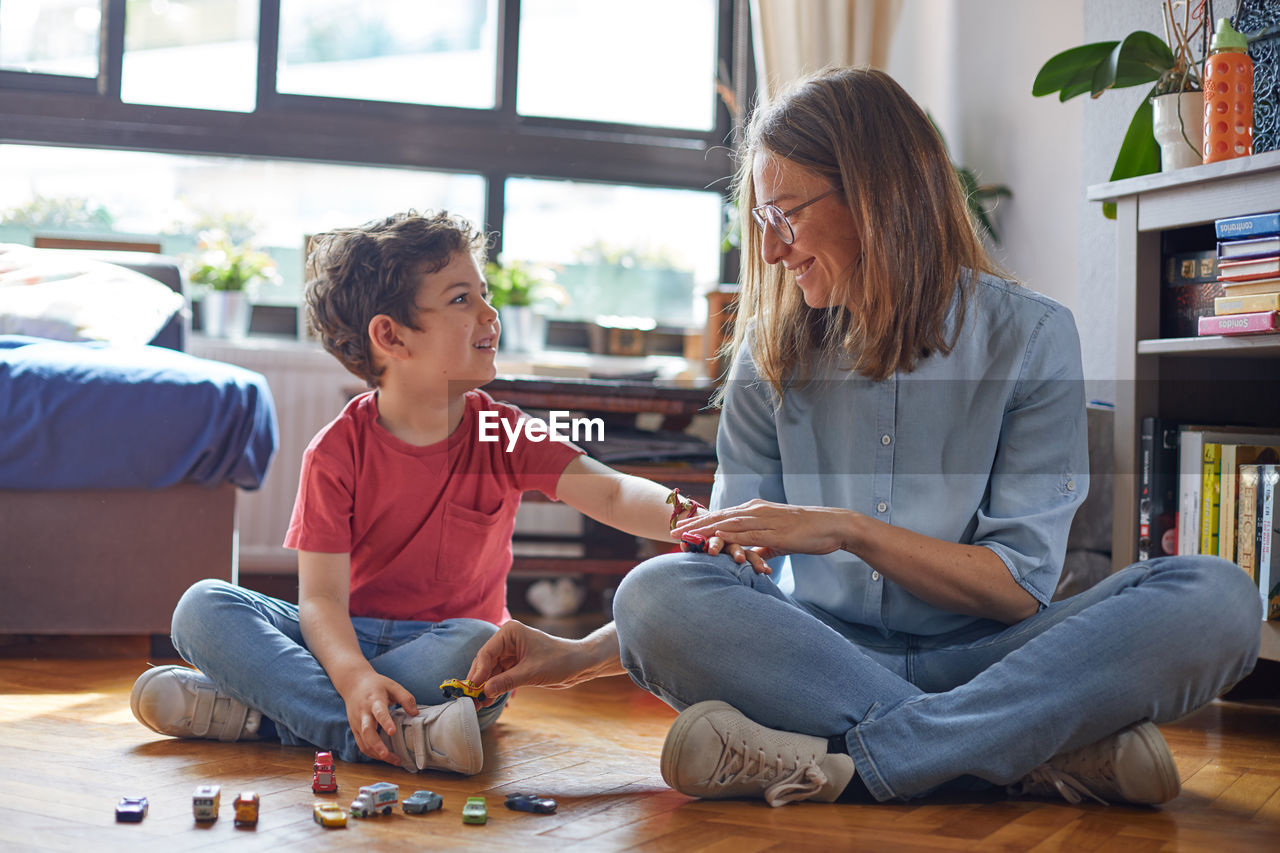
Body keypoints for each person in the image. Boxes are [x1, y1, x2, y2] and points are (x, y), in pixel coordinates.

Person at [467, 67, 1262, 806]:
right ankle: (1027, 751)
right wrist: (579, 655)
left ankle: (847, 761)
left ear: (877, 195)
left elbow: (1017, 586)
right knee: (652, 593)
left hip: (997, 657)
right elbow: (723, 568)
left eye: (785, 216)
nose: (771, 250)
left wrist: (845, 530)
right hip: (819, 659)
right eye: (760, 221)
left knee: (1219, 599)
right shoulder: (768, 351)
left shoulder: (1033, 338)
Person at [128, 210, 747, 774]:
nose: (489, 314)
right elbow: (318, 603)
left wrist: (697, 522)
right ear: (391, 337)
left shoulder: (501, 431)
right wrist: (352, 678)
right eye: (461, 298)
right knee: (202, 606)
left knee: (481, 645)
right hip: (343, 639)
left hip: (443, 652)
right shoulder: (336, 451)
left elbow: (611, 495)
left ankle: (262, 713)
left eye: (485, 294)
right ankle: (378, 729)